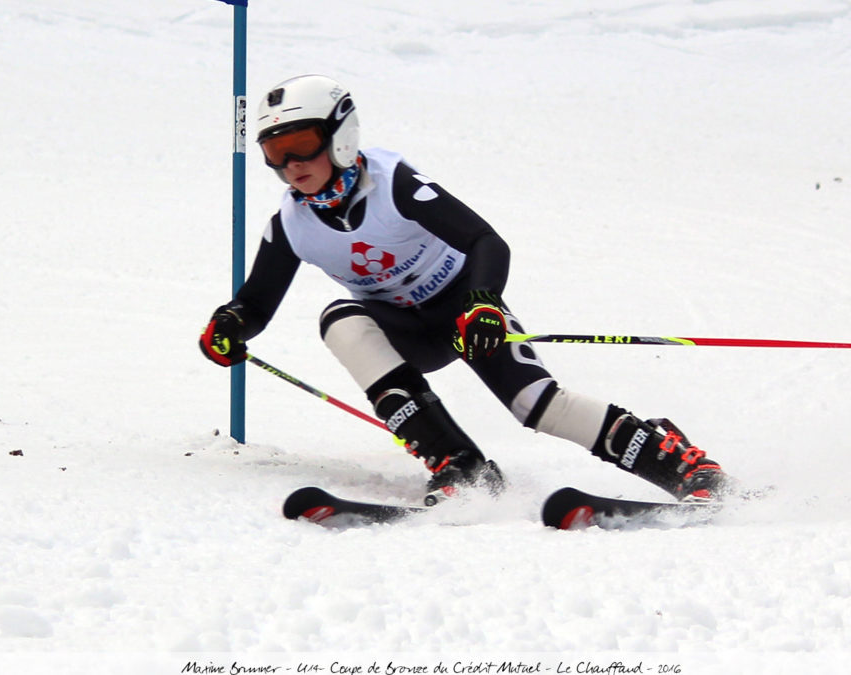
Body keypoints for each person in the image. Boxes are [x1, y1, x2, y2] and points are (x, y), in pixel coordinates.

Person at [199, 74, 731, 505]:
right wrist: (230, 325)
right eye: (274, 152)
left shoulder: (392, 185)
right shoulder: (292, 223)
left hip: (464, 313)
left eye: (300, 146)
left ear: (340, 136)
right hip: (403, 332)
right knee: (340, 317)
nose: (290, 166)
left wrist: (482, 304)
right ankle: (460, 465)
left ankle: (680, 464)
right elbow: (256, 302)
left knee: (536, 405)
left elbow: (484, 241)